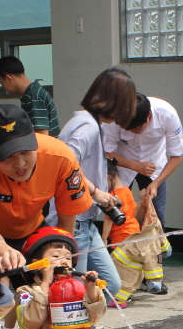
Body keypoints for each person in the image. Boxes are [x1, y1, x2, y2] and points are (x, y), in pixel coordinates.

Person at [0, 105, 94, 277]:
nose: (20, 164)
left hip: (31, 232)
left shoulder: (61, 158)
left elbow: (66, 225)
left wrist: (61, 256)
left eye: (25, 152)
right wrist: (6, 252)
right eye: (8, 156)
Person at [57, 67, 138, 299]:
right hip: (76, 220)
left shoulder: (88, 122)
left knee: (110, 285)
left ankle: (84, 319)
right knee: (75, 291)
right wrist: (95, 192)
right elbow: (64, 165)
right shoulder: (88, 126)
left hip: (86, 220)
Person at [5, 227, 105, 329]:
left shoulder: (75, 290)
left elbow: (94, 316)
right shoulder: (25, 292)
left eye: (68, 258)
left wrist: (91, 290)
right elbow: (31, 321)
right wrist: (46, 283)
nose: (64, 261)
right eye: (56, 256)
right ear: (37, 264)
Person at [104, 93, 183, 228]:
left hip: (154, 164)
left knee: (156, 215)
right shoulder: (114, 118)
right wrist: (134, 165)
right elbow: (107, 152)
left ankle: (153, 241)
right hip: (122, 163)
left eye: (137, 128)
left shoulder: (167, 115)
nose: (133, 132)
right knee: (118, 210)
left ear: (149, 115)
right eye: (128, 129)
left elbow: (177, 156)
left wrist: (156, 183)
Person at [104, 159, 171, 306]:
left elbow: (109, 220)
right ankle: (127, 293)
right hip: (133, 232)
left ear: (108, 176)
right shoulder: (126, 191)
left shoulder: (113, 196)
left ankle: (120, 298)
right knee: (133, 268)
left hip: (120, 237)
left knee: (120, 268)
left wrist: (103, 239)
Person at [0, 56, 60, 136]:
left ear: (9, 78)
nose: (3, 87)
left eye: (1, 83)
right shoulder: (33, 93)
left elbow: (41, 136)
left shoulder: (34, 97)